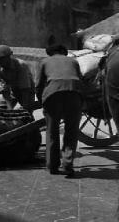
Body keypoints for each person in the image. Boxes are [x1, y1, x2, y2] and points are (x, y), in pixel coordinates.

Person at [36, 44, 83, 176]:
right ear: (64, 52)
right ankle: (68, 163)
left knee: (52, 131)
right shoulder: (73, 61)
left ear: (50, 53)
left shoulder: (44, 62)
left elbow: (39, 84)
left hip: (52, 94)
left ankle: (52, 166)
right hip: (74, 93)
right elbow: (81, 80)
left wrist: (42, 101)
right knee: (71, 130)